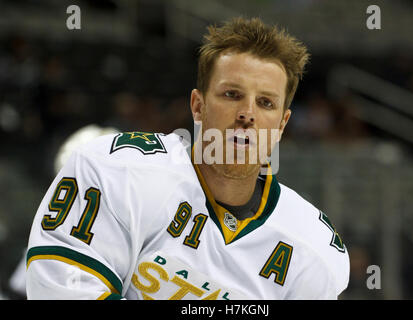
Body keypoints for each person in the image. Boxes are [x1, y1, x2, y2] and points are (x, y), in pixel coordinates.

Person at [26, 17, 349, 300]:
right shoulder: (117, 169)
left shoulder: (312, 247)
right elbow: (60, 290)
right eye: (232, 94)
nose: (247, 114)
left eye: (265, 103)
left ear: (281, 125)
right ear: (198, 106)